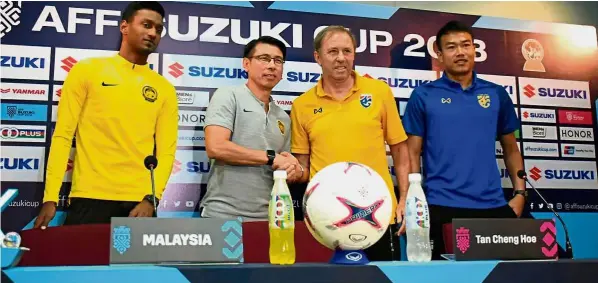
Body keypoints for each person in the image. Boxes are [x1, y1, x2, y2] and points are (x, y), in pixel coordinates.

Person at [34, 1, 177, 228]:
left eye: (158, 29)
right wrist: (50, 196)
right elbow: (62, 136)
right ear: (124, 27)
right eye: (146, 25)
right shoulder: (87, 70)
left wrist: (152, 198)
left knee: (141, 266)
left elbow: (167, 152)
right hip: (89, 198)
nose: (152, 33)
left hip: (139, 205)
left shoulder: (164, 88)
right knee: (82, 263)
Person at [402, 20, 526, 259]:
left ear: (474, 49)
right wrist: (414, 205)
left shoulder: (496, 93)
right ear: (439, 54)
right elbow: (411, 153)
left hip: (493, 205)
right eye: (451, 47)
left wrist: (520, 194)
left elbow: (511, 149)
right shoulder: (423, 96)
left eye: (465, 45)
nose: (460, 52)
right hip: (440, 206)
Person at [290, 26, 411, 261]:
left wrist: (405, 197)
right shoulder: (301, 105)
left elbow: (399, 148)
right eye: (332, 51)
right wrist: (287, 168)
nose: (341, 58)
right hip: (325, 219)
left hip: (378, 214)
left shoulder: (379, 92)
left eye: (347, 51)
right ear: (317, 57)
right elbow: (303, 168)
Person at [200, 36, 301, 221]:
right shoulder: (228, 95)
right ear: (246, 64)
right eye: (264, 58)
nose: (272, 65)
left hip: (270, 217)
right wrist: (270, 157)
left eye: (278, 61)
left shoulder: (283, 118)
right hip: (223, 214)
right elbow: (216, 147)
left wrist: (293, 169)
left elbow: (283, 166)